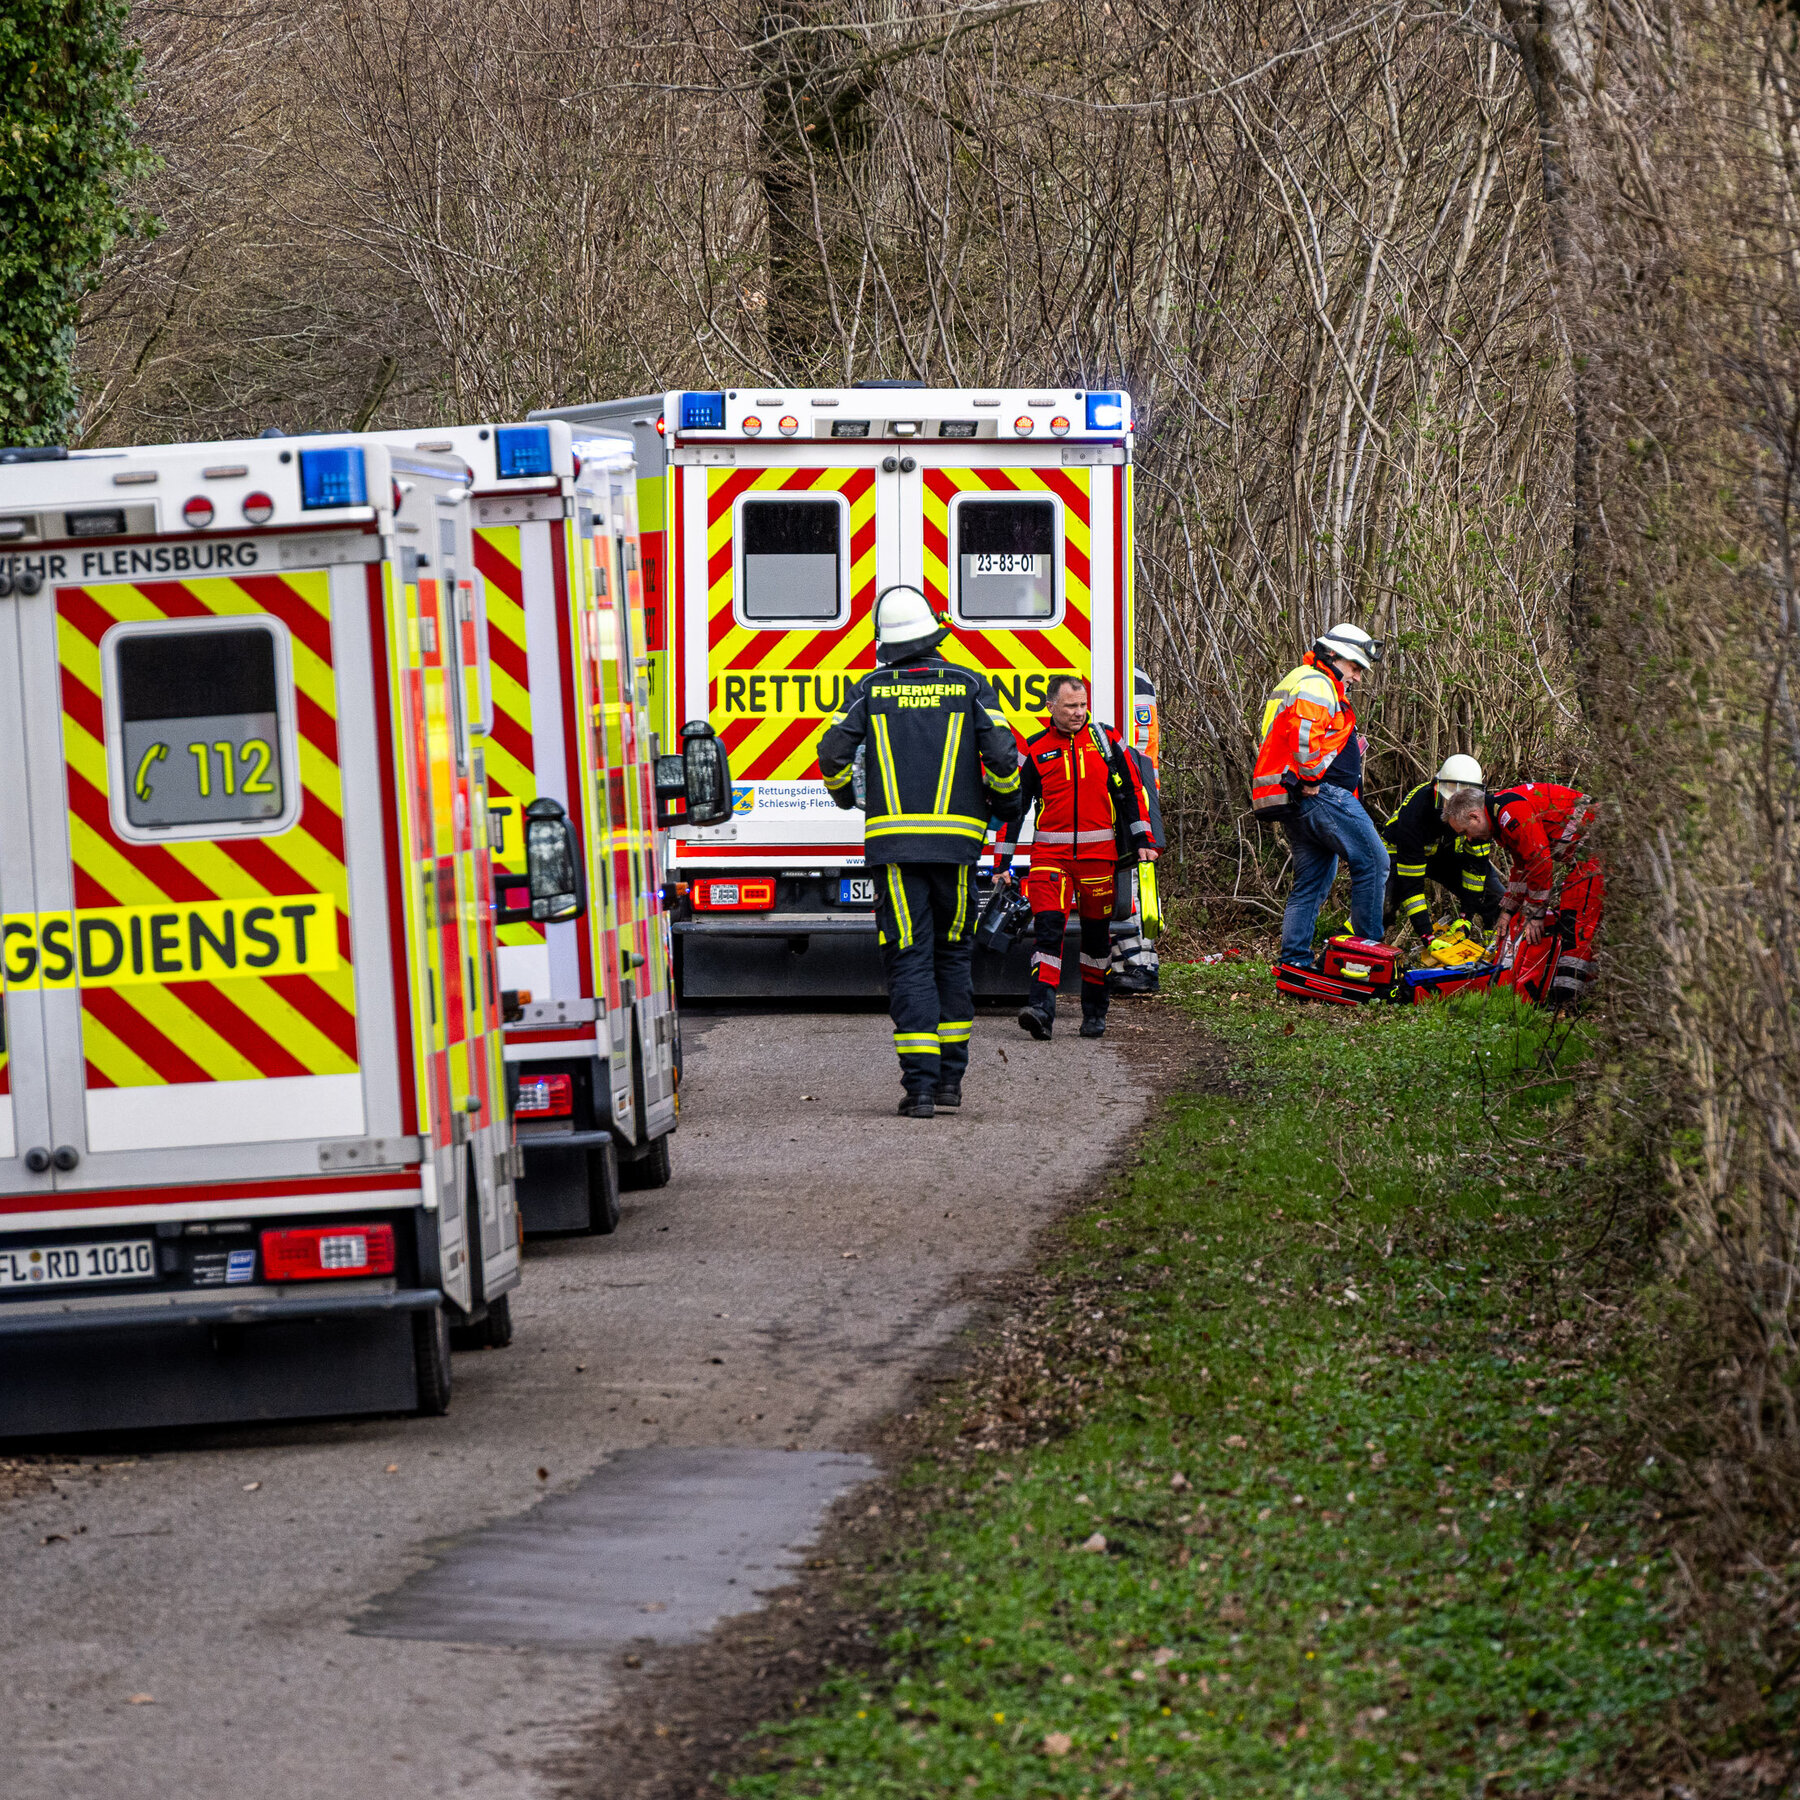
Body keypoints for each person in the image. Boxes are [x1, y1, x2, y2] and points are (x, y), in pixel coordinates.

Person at [818, 585, 1021, 1117]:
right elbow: (1002, 760)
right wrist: (1005, 805)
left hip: (895, 851)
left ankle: (922, 1089)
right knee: (953, 957)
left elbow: (832, 755)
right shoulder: (971, 685)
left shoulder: (870, 689)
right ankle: (950, 1083)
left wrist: (846, 798)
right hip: (956, 853)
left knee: (909, 959)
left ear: (886, 642)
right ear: (934, 634)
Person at [993, 674, 1153, 1041]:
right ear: (1050, 707)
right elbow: (1013, 812)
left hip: (1099, 859)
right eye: (1070, 706)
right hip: (1050, 858)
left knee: (1096, 941)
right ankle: (1041, 1011)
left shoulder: (1107, 741)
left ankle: (1095, 1013)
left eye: (1082, 705)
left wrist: (1143, 836)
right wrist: (1002, 864)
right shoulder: (1034, 750)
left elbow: (1131, 791)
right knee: (1048, 934)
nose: (1079, 712)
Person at [1251, 624, 1387, 970]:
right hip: (1319, 793)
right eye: (1355, 667)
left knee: (1311, 883)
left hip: (1298, 799)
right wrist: (1311, 776)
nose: (1356, 677)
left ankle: (1294, 962)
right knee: (1373, 861)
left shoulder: (1305, 680)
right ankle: (1367, 960)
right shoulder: (1317, 683)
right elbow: (1304, 735)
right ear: (1334, 656)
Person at [1487, 782, 1604, 1006]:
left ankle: (1567, 1003)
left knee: (1576, 925)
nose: (1469, 838)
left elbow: (1539, 862)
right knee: (1577, 922)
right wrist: (1507, 911)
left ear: (1474, 816)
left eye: (1465, 831)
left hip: (1595, 854)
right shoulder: (1503, 810)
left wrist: (1535, 915)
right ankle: (1579, 996)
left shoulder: (1510, 813)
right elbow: (1522, 867)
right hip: (1589, 854)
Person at [1382, 754, 1502, 940]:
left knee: (1493, 895)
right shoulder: (1414, 815)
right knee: (1383, 905)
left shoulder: (1479, 816)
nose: (1453, 811)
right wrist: (1426, 935)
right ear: (1438, 788)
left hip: (1443, 853)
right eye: (1448, 802)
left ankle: (1495, 945)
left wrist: (1466, 918)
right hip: (1401, 852)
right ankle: (1356, 950)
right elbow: (1412, 885)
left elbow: (1476, 869)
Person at [1110, 666, 1165, 994]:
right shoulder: (1134, 675)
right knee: (1127, 882)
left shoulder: (1132, 678)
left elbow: (1139, 744)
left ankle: (1139, 966)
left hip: (1134, 795)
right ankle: (1126, 964)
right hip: (1137, 792)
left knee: (1131, 882)